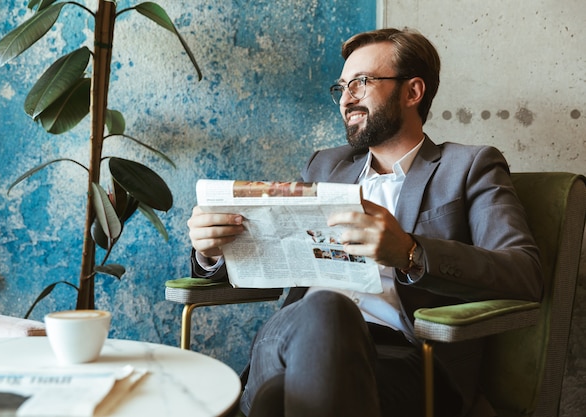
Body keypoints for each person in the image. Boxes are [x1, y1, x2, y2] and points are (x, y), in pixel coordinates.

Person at [186, 28, 542, 417]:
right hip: (290, 340)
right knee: (324, 308)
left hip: (403, 361)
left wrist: (410, 252)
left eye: (361, 82)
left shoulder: (469, 167)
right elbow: (274, 255)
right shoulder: (325, 165)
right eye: (341, 87)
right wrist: (211, 251)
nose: (346, 99)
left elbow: (524, 272)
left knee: (282, 398)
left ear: (413, 92)